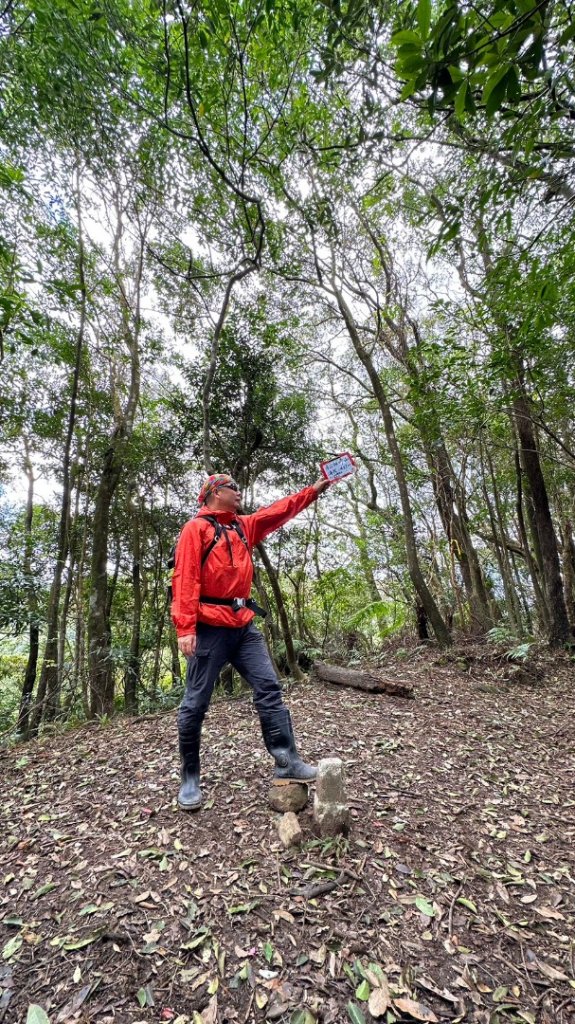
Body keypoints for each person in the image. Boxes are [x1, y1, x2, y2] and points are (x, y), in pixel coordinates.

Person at [171, 472, 331, 810]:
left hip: (243, 626)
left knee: (269, 687)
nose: (239, 491)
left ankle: (287, 761)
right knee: (195, 703)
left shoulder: (243, 526)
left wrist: (313, 490)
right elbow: (185, 577)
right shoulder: (195, 529)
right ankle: (189, 777)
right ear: (214, 493)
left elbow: (279, 511)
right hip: (208, 628)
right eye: (233, 488)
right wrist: (185, 627)